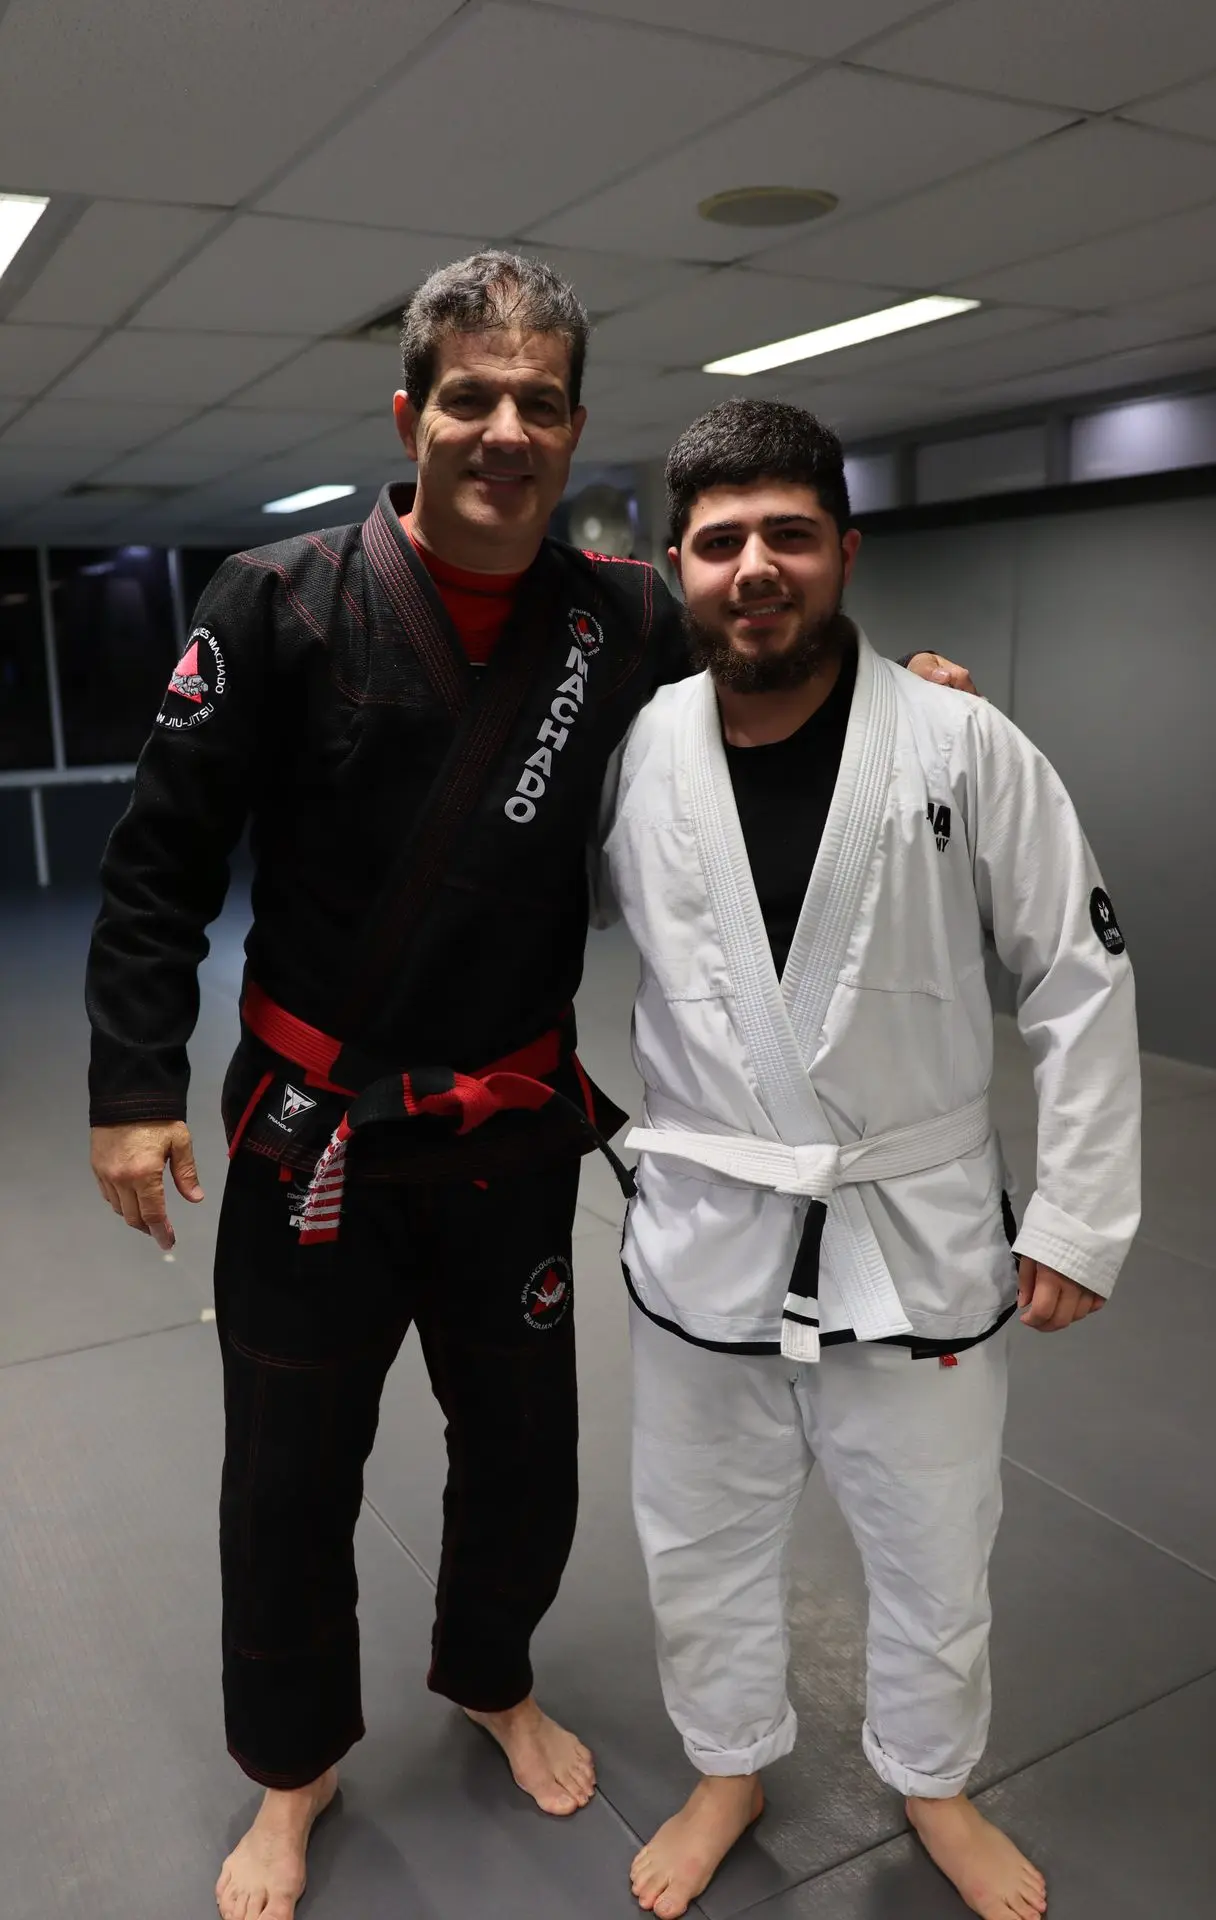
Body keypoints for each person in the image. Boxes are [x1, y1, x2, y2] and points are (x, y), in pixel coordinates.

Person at [85, 253, 978, 1920]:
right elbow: (156, 870)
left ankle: (491, 1675)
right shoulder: (274, 605)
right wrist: (132, 1081)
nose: (507, 430)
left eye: (541, 404)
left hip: (510, 1137)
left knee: (524, 1455)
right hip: (314, 1139)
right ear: (411, 411)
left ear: (573, 432)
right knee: (289, 1472)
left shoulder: (624, 618)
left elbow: (772, 663)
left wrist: (907, 703)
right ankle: (294, 1770)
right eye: (473, 398)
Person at [598, 399, 1141, 1920]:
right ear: (676, 568)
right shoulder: (639, 752)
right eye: (720, 543)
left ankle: (932, 1779)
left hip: (915, 1236)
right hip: (706, 1232)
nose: (754, 567)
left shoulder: (964, 742)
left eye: (787, 534)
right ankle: (728, 1766)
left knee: (933, 1548)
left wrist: (1082, 1218)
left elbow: (1080, 974)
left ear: (846, 549)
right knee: (698, 1540)